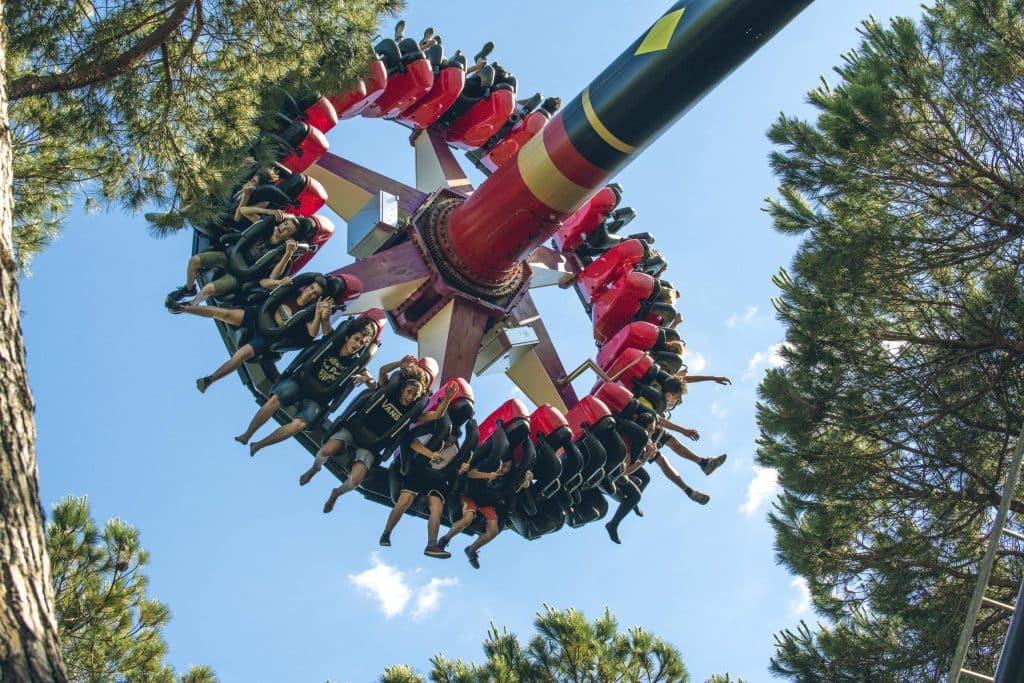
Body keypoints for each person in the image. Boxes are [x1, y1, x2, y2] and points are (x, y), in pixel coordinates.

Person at [234, 316, 379, 456]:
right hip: (301, 383)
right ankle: (247, 435)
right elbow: (326, 326)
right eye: (356, 339)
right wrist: (324, 314)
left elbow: (373, 386)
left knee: (298, 425)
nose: (357, 345)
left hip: (318, 399)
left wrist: (366, 379)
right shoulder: (332, 341)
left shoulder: (357, 364)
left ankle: (259, 445)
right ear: (348, 336)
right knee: (275, 400)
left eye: (362, 344)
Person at [305, 363, 432, 513]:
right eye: (409, 392)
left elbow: (433, 416)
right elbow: (383, 371)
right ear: (403, 388)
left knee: (355, 481)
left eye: (414, 396)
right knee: (325, 451)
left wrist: (446, 399)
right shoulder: (387, 390)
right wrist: (400, 364)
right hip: (353, 431)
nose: (410, 397)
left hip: (371, 446)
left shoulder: (412, 412)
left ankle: (336, 493)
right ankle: (315, 468)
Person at [176, 275, 335, 393]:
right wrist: (280, 282)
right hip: (256, 317)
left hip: (266, 337)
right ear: (307, 286)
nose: (310, 293)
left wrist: (319, 315)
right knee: (224, 314)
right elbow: (263, 283)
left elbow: (311, 334)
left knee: (241, 354)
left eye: (315, 294)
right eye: (311, 288)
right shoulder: (290, 290)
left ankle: (209, 380)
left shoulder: (307, 314)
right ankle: (184, 308)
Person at [378, 382, 463, 557]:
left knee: (437, 508)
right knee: (405, 500)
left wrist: (459, 467)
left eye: (452, 442)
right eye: (449, 440)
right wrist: (431, 454)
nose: (449, 443)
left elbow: (452, 468)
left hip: (434, 478)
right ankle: (386, 532)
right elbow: (414, 444)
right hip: (417, 470)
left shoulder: (453, 449)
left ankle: (432, 545)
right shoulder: (431, 434)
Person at [166, 210, 305, 307]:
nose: (284, 228)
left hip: (239, 275)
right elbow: (245, 211)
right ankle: (188, 288)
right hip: (228, 257)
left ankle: (191, 304)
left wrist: (287, 254)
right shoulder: (264, 228)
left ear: (290, 237)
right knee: (194, 260)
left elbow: (272, 278)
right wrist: (275, 214)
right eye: (285, 224)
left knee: (208, 289)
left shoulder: (280, 254)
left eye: (289, 230)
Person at [436, 456, 531, 569]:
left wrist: (527, 480)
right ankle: (444, 540)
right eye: (503, 465)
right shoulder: (487, 464)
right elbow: (471, 473)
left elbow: (519, 487)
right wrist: (487, 475)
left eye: (507, 467)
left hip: (487, 505)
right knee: (468, 518)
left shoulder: (507, 480)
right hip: (471, 498)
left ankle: (471, 550)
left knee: (493, 531)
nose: (504, 469)